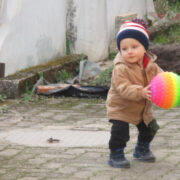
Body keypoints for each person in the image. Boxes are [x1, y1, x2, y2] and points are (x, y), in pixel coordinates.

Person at [106, 19, 162, 168]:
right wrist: (140, 91)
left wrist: (169, 84)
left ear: (145, 48)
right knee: (120, 133)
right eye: (124, 49)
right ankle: (116, 154)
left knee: (150, 128)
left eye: (134, 47)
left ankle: (141, 149)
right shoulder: (120, 68)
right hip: (121, 106)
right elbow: (123, 88)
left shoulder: (151, 65)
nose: (129, 51)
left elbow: (161, 78)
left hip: (142, 106)